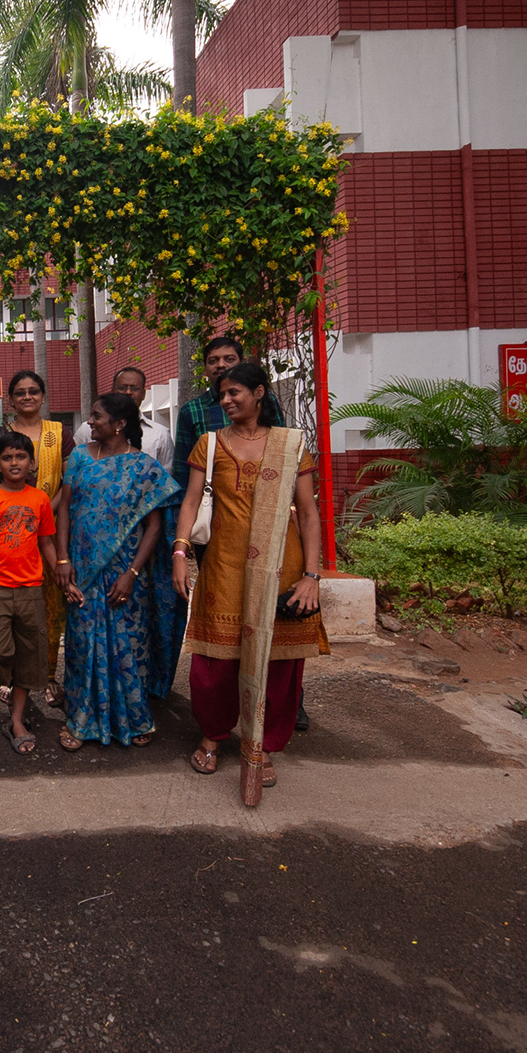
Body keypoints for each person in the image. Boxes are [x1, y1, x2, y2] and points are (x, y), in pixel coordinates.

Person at [171, 362, 327, 804]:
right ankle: (213, 735)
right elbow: (190, 501)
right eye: (222, 394)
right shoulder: (210, 444)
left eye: (234, 392)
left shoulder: (290, 444)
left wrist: (312, 577)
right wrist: (180, 552)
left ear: (259, 393)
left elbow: (308, 514)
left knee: (278, 665)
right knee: (213, 665)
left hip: (283, 568)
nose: (225, 400)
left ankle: (263, 746)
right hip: (224, 566)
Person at [53, 393, 182, 751]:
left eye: (97, 416)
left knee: (128, 646)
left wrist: (132, 573)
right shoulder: (80, 457)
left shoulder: (144, 467)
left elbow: (154, 527)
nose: (90, 422)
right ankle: (81, 720)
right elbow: (64, 510)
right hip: (82, 569)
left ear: (120, 424)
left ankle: (134, 717)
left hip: (126, 574)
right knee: (83, 645)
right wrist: (62, 559)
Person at [0, 369, 72, 707]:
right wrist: (21, 515)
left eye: (33, 391)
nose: (27, 397)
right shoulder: (1, 435)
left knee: (49, 609)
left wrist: (41, 512)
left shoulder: (59, 433)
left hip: (50, 530)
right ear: (11, 399)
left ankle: (47, 675)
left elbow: (69, 483)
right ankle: (14, 677)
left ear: (43, 396)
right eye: (20, 392)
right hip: (7, 532)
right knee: (10, 614)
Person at [0, 430, 59, 755]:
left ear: (32, 463)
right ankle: (6, 683)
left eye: (21, 457)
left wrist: (61, 573)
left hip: (31, 589)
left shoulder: (40, 500)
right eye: (7, 458)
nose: (14, 462)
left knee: (28, 656)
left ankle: (17, 719)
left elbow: (46, 542)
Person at [171, 335, 243, 491]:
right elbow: (182, 471)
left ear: (241, 364)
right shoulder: (191, 411)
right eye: (213, 361)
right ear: (205, 369)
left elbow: (280, 452)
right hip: (210, 499)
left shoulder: (262, 401)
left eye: (229, 359)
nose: (221, 365)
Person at [112, 366, 174, 473]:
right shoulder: (90, 430)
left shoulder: (161, 434)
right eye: (122, 388)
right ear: (113, 391)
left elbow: (167, 477)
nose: (128, 392)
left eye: (134, 388)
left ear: (144, 394)